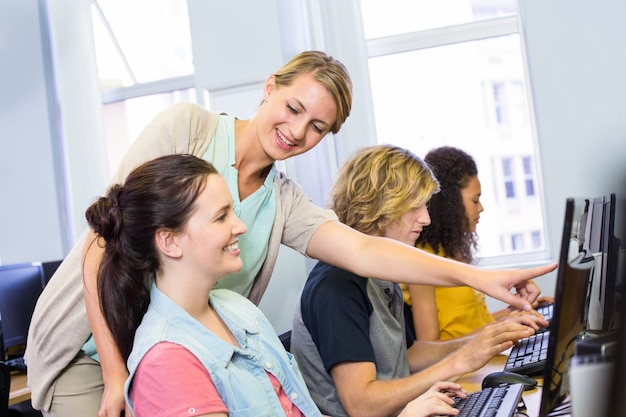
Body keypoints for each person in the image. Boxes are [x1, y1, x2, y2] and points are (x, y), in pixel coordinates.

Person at [25, 51, 555, 417]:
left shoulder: (283, 200)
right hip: (91, 351)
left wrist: (483, 279)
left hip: (179, 356)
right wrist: (117, 372)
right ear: (269, 87)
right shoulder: (187, 128)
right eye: (294, 108)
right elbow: (105, 240)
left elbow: (367, 250)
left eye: (318, 127)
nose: (298, 132)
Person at [86, 153, 468, 417]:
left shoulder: (237, 310)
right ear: (169, 241)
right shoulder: (167, 363)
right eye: (221, 217)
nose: (241, 226)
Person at [290, 145, 548, 417]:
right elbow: (361, 404)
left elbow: (408, 356)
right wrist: (458, 362)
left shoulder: (383, 274)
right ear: (381, 203)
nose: (426, 218)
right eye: (416, 205)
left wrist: (479, 341)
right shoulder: (336, 286)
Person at [403, 146, 552, 341]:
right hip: (464, 367)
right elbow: (429, 346)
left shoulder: (454, 252)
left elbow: (475, 325)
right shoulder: (423, 261)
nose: (480, 208)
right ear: (451, 204)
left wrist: (518, 312)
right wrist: (500, 326)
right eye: (475, 200)